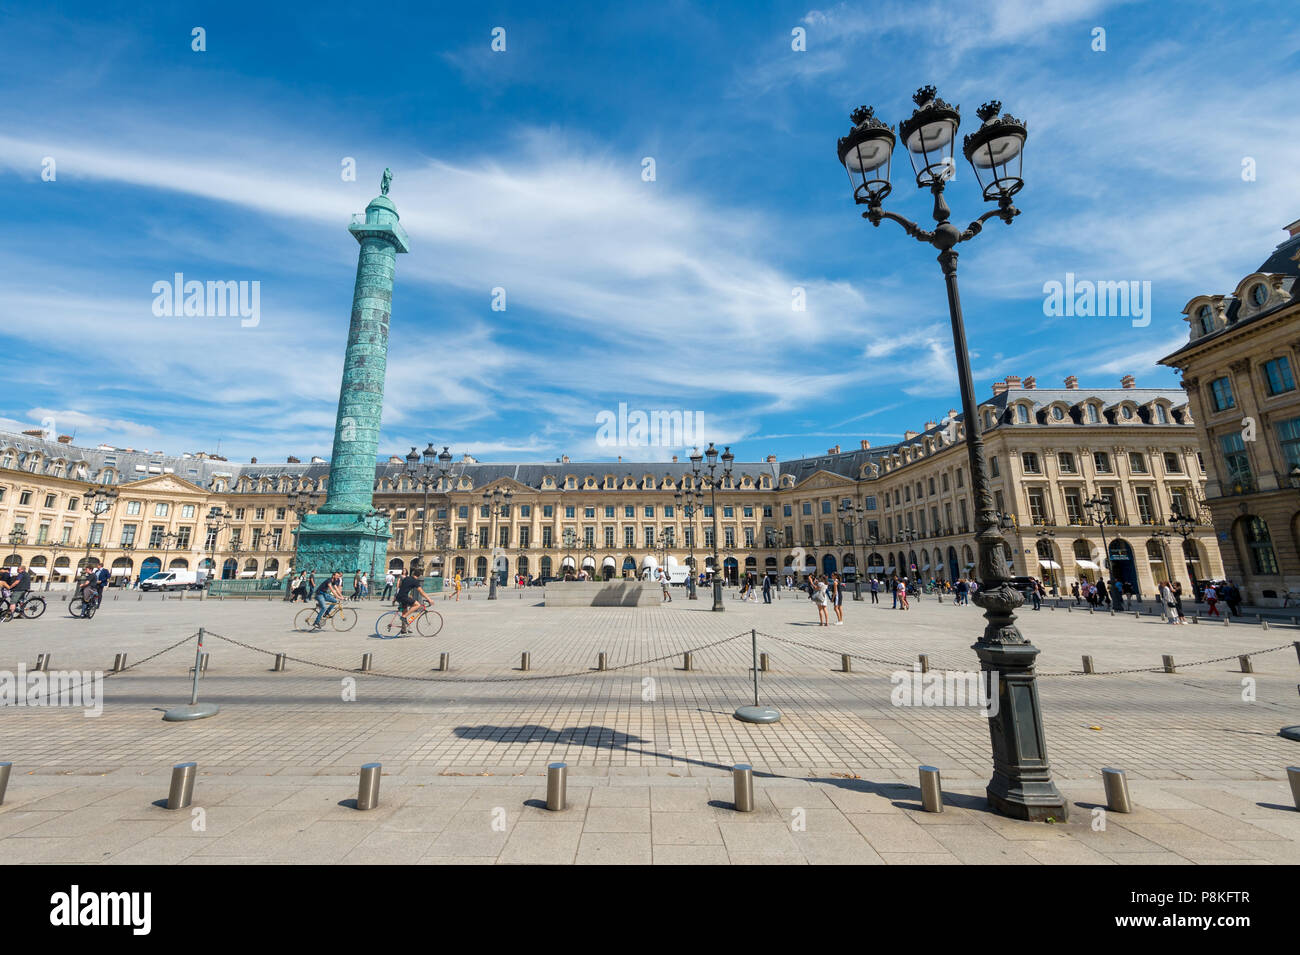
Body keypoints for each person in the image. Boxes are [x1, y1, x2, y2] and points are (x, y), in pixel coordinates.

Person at [394, 569, 431, 634]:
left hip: (399, 596)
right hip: (404, 597)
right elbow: (421, 592)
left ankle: (403, 629)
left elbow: (401, 586)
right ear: (419, 576)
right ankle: (404, 617)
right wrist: (429, 599)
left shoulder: (406, 578)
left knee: (405, 612)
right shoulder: (415, 581)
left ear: (413, 573)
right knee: (417, 605)